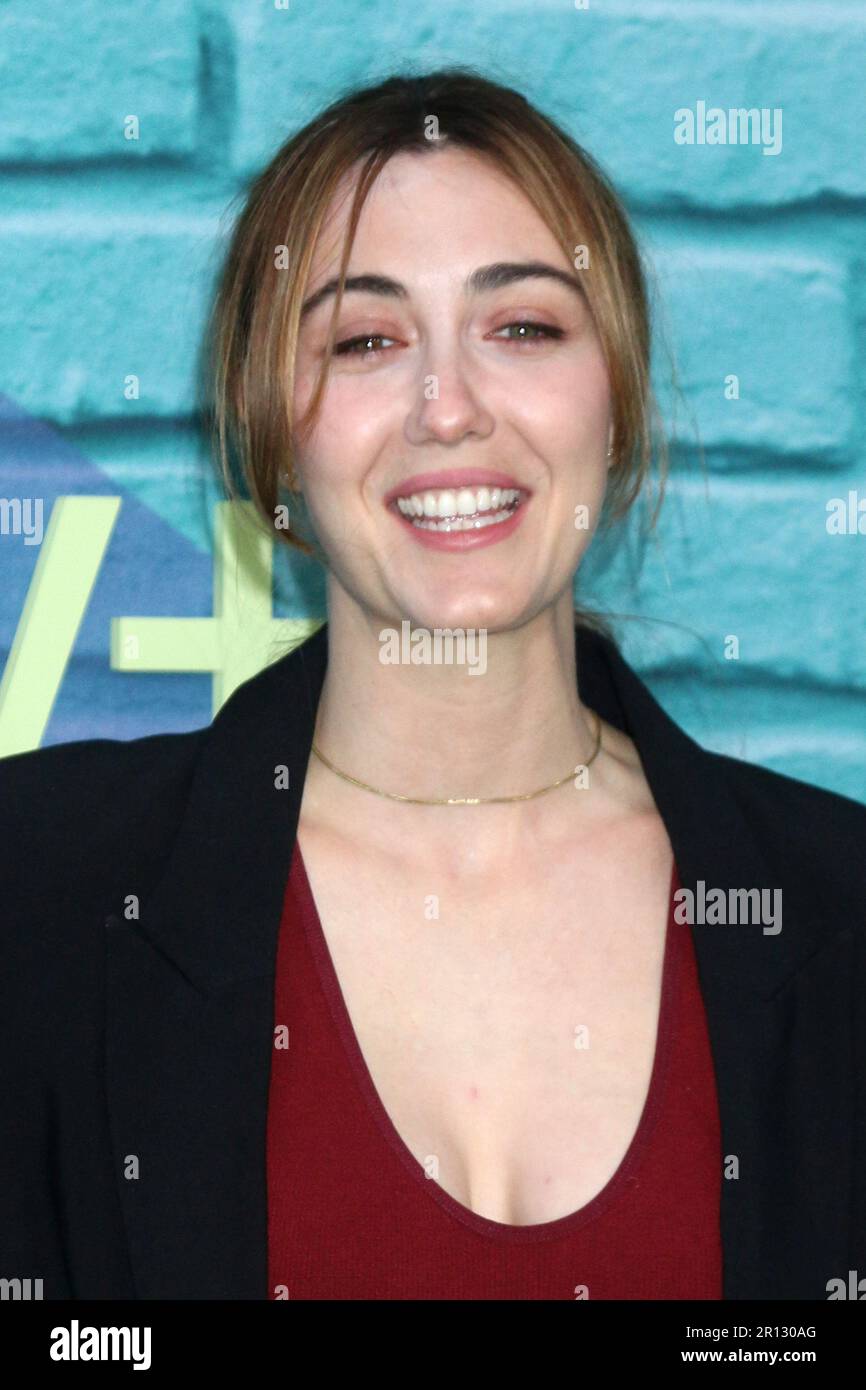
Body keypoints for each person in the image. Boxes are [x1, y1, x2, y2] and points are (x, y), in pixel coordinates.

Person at [1, 69, 864, 1303]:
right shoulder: (39, 891)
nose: (446, 409)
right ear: (271, 429)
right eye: (365, 340)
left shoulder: (836, 904)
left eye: (521, 328)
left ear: (614, 399)